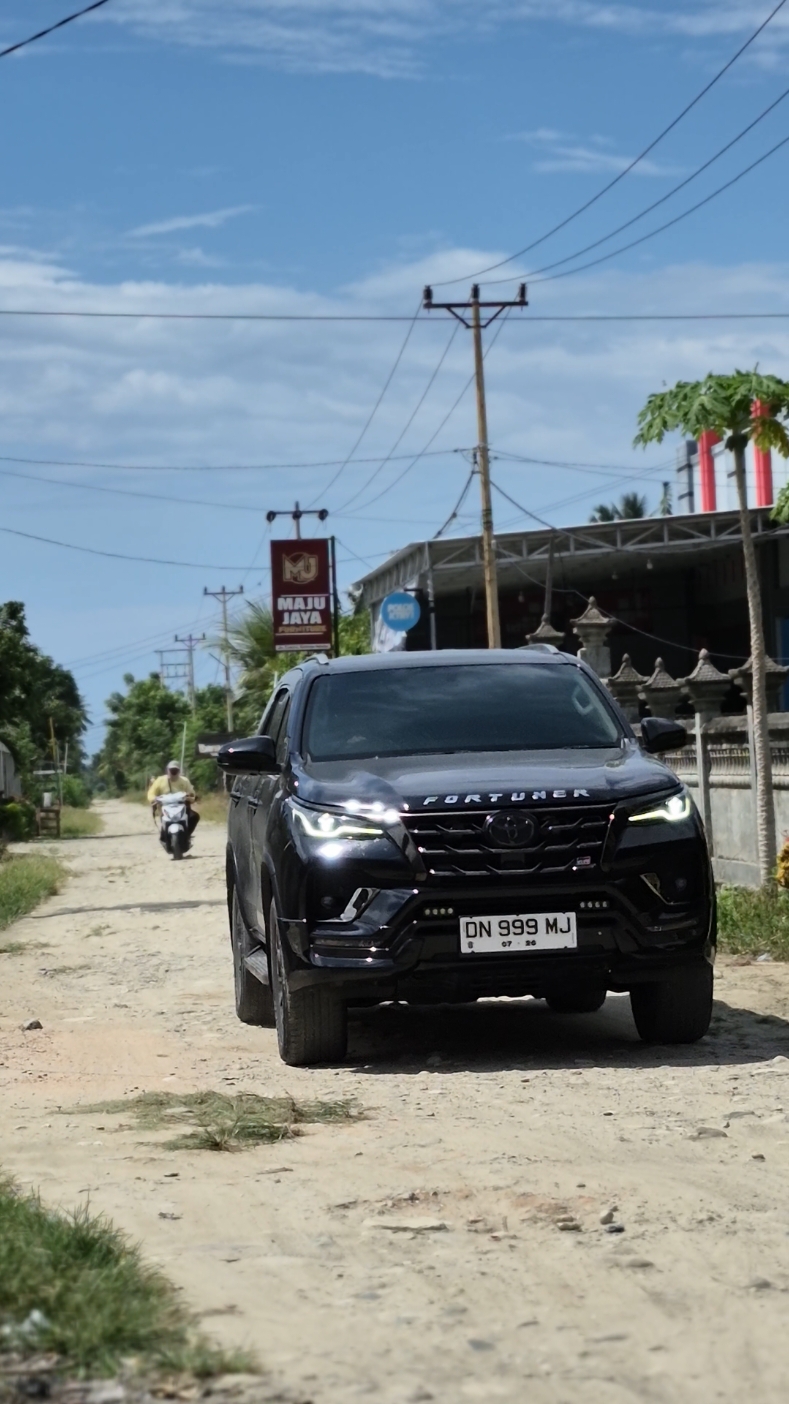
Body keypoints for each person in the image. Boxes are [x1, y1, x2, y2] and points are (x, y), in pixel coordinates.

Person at [147, 760, 200, 835]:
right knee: (163, 827)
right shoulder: (160, 780)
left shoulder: (184, 781)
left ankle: (187, 835)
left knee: (194, 817)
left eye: (175, 770)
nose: (173, 772)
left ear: (179, 771)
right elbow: (151, 793)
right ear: (167, 770)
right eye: (171, 770)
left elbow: (192, 793)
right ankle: (164, 836)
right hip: (165, 807)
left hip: (182, 807)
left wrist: (191, 797)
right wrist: (154, 799)